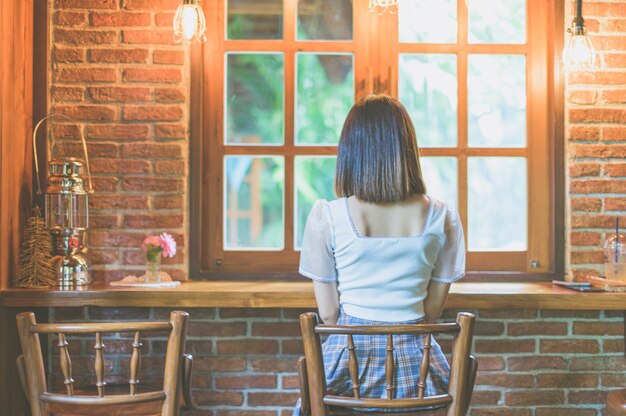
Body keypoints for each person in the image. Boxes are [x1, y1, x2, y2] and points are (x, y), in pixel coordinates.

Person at [294, 95, 465, 414]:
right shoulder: (442, 216)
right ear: (407, 148)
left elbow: (330, 315)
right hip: (418, 372)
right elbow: (431, 313)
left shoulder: (327, 216)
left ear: (351, 151)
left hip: (350, 365)